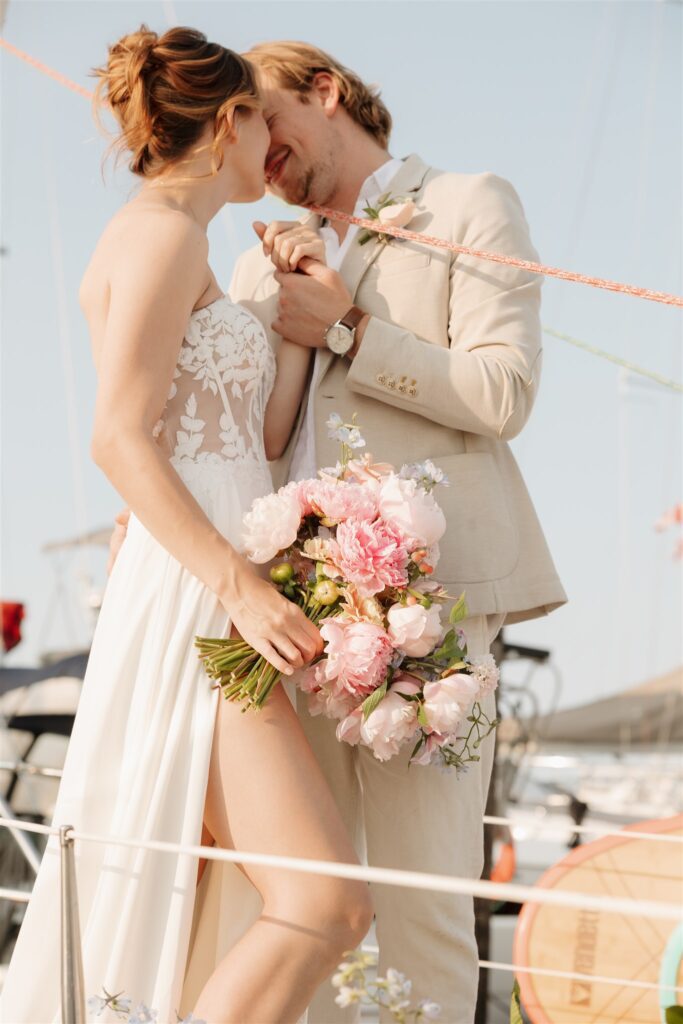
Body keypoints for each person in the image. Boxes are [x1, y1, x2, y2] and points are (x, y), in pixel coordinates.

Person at [0, 27, 373, 1024]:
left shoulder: (185, 239)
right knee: (324, 900)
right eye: (263, 119)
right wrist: (239, 584)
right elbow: (119, 439)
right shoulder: (160, 233)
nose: (275, 149)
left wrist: (293, 322)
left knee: (285, 898)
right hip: (198, 604)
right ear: (229, 121)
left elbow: (250, 441)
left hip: (215, 588)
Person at [228, 41, 569, 1024]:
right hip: (289, 617)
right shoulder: (259, 264)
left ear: (325, 91)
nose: (257, 147)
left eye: (264, 114)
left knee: (422, 902)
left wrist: (352, 330)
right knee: (304, 903)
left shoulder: (467, 203)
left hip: (432, 606)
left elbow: (502, 392)